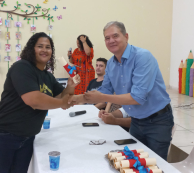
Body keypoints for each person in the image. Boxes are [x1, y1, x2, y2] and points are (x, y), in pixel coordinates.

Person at [69, 21, 173, 160]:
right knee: (134, 161)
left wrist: (100, 97)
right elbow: (104, 91)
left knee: (154, 164)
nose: (111, 40)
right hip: (136, 121)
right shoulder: (111, 63)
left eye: (115, 36)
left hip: (157, 121)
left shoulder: (142, 57)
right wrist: (75, 99)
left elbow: (137, 98)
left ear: (126, 36)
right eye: (107, 38)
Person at [0, 32, 79, 172]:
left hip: (26, 139)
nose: (44, 50)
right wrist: (63, 103)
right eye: (40, 46)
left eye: (48, 47)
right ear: (31, 49)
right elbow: (34, 100)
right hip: (1, 137)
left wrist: (70, 86)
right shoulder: (22, 67)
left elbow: (62, 98)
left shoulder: (48, 77)